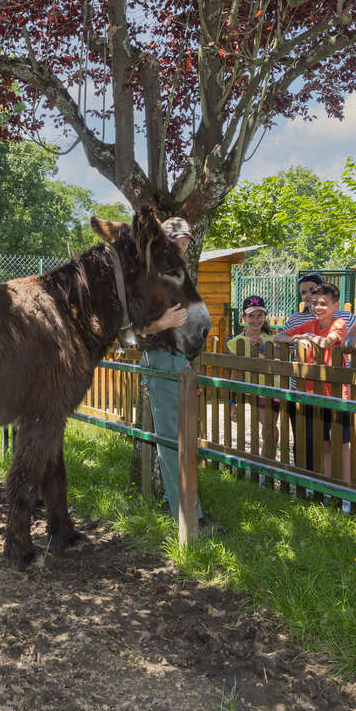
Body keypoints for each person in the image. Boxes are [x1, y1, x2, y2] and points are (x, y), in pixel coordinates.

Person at [139, 217, 225, 537]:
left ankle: (184, 509)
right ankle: (190, 522)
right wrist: (162, 324)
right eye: (176, 240)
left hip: (176, 361)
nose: (183, 245)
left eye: (186, 240)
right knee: (174, 443)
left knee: (182, 440)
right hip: (160, 362)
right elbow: (129, 330)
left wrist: (186, 364)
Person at [273, 283, 350, 481]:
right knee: (323, 444)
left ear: (335, 305)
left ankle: (347, 486)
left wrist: (306, 336)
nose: (317, 307)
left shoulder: (338, 324)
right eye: (314, 303)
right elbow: (277, 336)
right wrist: (295, 339)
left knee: (342, 444)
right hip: (312, 395)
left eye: (323, 304)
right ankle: (326, 484)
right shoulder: (309, 325)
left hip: (336, 394)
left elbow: (326, 342)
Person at [226, 295, 279, 456]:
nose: (256, 319)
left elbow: (281, 357)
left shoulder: (273, 338)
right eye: (251, 316)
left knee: (270, 429)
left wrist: (264, 348)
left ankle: (266, 464)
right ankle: (265, 465)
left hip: (273, 389)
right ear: (244, 317)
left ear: (265, 316)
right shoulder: (235, 343)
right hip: (253, 391)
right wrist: (232, 402)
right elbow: (233, 374)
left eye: (260, 315)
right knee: (268, 429)